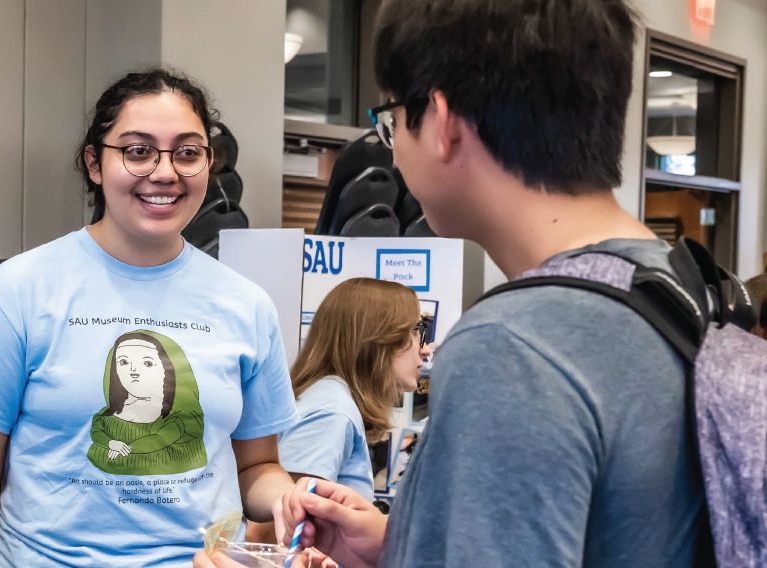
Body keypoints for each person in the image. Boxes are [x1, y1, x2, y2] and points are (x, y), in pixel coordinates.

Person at [218, 0, 707, 567]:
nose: (394, 147)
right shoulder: (687, 295)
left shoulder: (511, 349)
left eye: (393, 121)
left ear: (444, 124)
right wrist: (397, 545)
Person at [0, 69, 302, 567]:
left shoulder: (246, 305)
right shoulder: (20, 291)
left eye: (187, 152)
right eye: (138, 150)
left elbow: (255, 465)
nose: (165, 172)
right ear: (94, 163)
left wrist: (292, 501)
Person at [245, 278, 428, 544]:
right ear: (379, 340)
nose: (423, 350)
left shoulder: (330, 399)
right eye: (415, 332)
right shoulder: (331, 411)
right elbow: (272, 531)